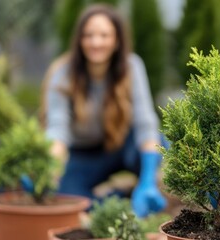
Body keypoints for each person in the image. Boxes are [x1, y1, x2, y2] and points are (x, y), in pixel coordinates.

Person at [41, 4, 166, 218]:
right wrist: (48, 166)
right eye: (89, 35)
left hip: (119, 146)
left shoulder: (132, 66)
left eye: (104, 35)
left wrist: (147, 181)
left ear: (117, 41)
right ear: (80, 40)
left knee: (159, 145)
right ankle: (121, 200)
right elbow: (57, 130)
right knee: (65, 195)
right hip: (82, 156)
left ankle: (144, 190)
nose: (96, 42)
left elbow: (146, 124)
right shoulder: (62, 71)